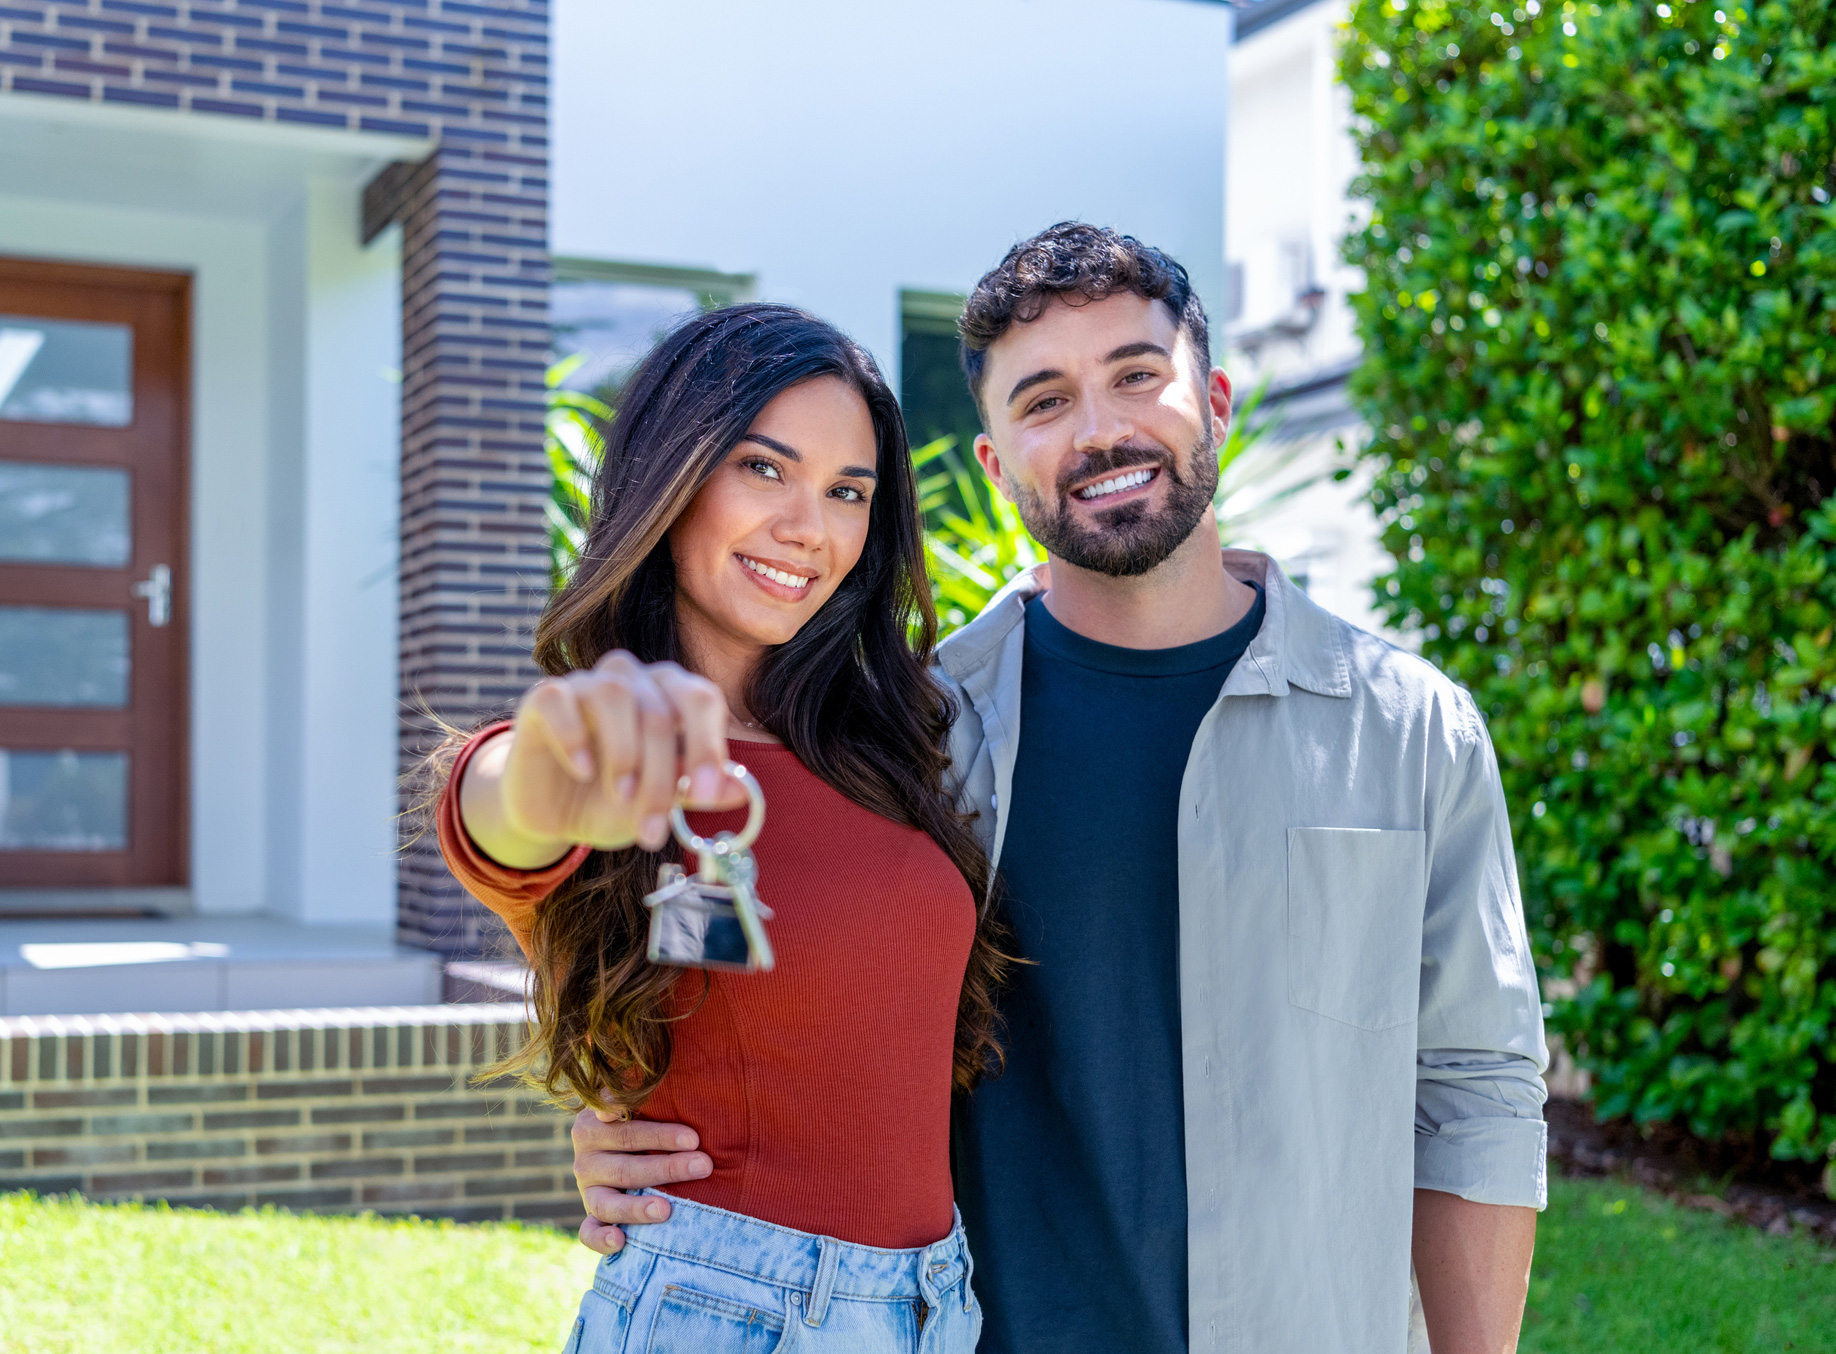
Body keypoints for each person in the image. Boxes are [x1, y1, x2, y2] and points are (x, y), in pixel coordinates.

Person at [570, 225, 1550, 1354]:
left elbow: (1475, 1089)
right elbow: (744, 974)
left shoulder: (1409, 727)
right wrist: (633, 1122)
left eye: (1137, 376)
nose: (1099, 431)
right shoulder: (905, 733)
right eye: (1042, 401)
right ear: (995, 464)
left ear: (1217, 400)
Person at [434, 303, 1007, 1352]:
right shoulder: (616, 753)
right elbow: (501, 808)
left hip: (935, 1304)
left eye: (848, 493)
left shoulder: (888, 744)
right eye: (763, 469)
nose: (811, 528)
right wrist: (551, 765)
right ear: (673, 474)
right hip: (730, 1306)